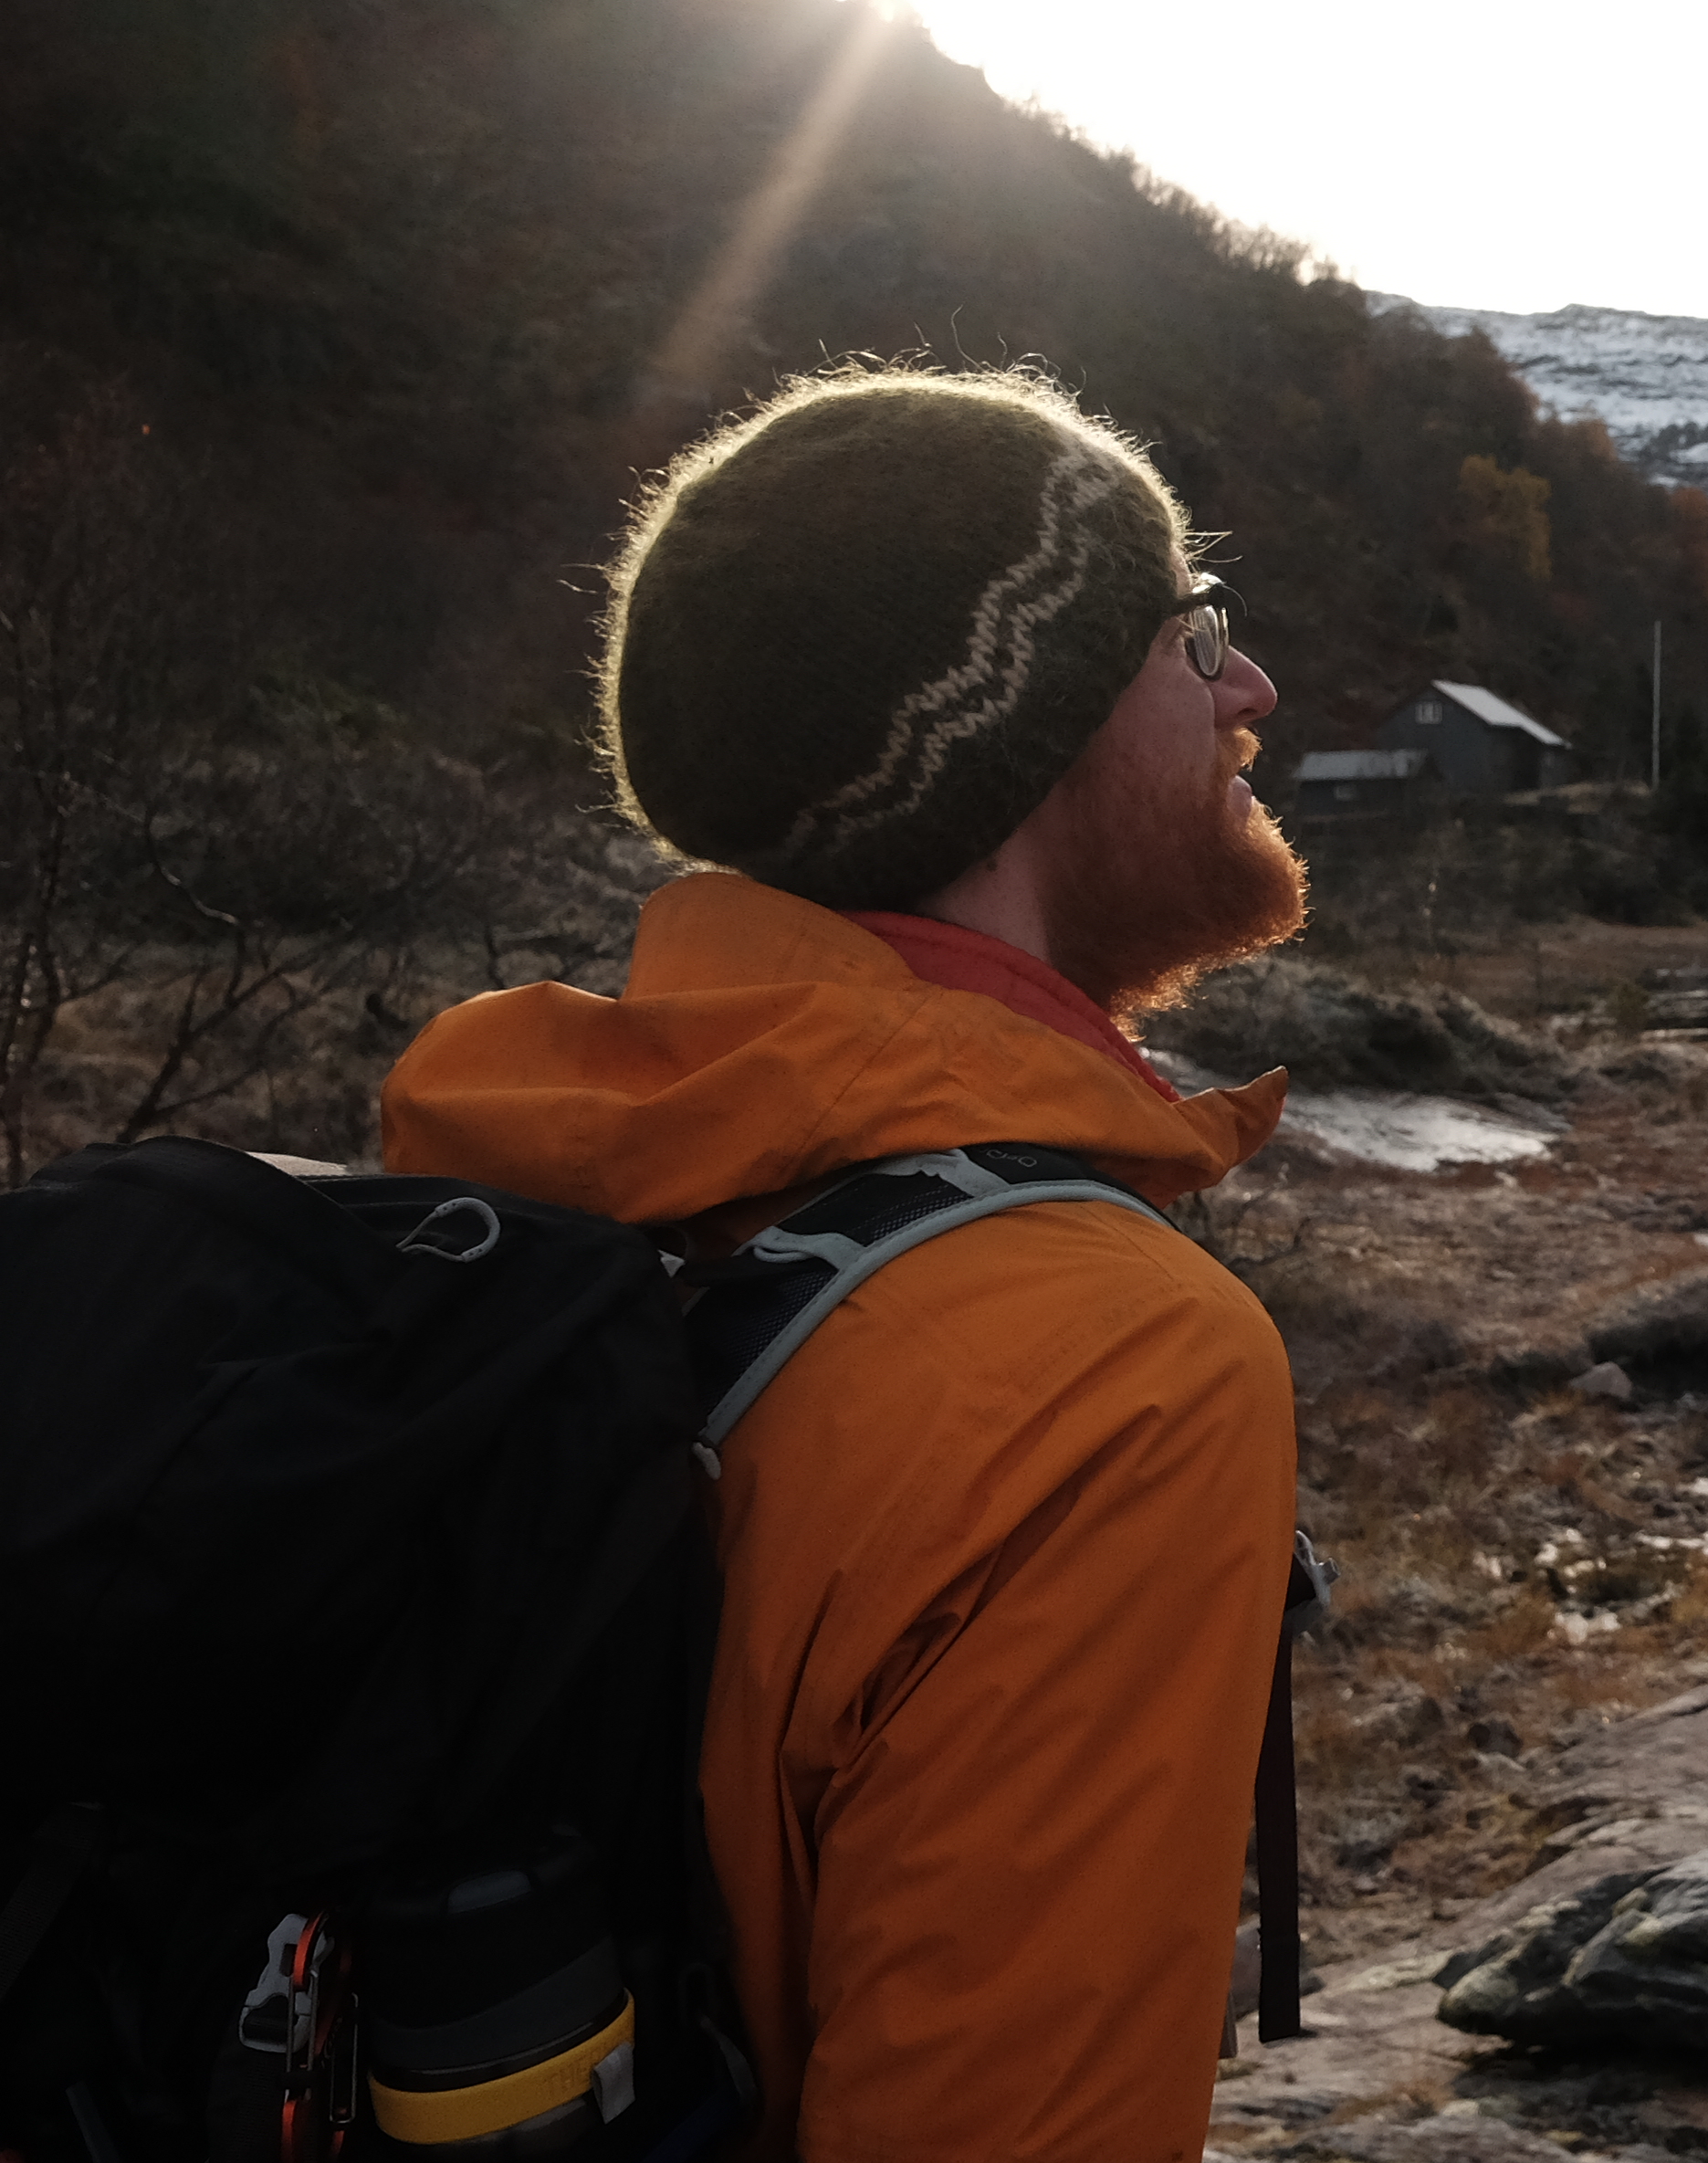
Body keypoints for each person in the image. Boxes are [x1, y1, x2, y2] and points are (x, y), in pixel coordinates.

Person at [383, 367, 1311, 2163]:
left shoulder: (543, 1172)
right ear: (1015, 744)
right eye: (1192, 635)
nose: (1250, 687)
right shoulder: (1112, 1370)